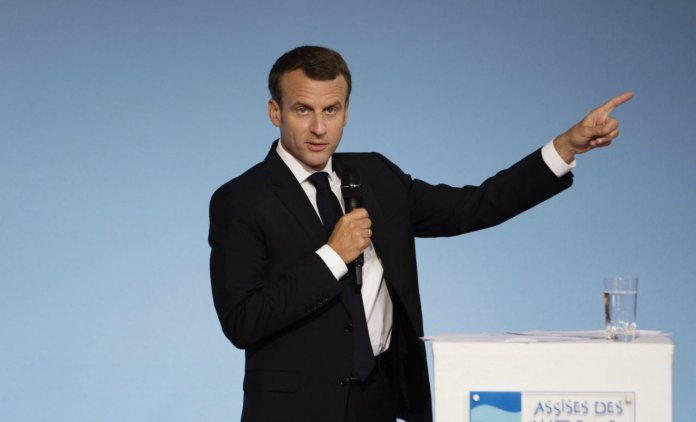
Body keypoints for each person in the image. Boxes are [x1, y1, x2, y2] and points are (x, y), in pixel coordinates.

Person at [208, 45, 632, 422]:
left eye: (331, 110)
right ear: (275, 112)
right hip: (293, 410)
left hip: (379, 401)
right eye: (303, 110)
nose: (319, 128)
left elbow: (471, 207)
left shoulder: (376, 176)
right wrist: (332, 256)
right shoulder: (240, 199)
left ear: (347, 112)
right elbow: (242, 321)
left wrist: (564, 147)